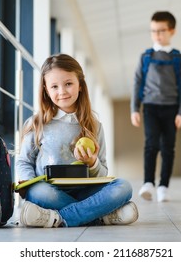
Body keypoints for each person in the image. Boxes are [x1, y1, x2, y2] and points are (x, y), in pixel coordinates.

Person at [16, 53, 138, 227]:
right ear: (46, 90)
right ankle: (100, 217)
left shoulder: (95, 126)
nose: (62, 92)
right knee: (37, 191)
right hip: (50, 192)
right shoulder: (37, 124)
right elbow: (23, 162)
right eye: (54, 87)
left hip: (85, 192)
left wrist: (92, 162)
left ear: (80, 85)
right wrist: (28, 183)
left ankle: (56, 218)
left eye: (68, 84)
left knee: (124, 186)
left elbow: (103, 172)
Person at [130, 11, 181, 202]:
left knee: (168, 148)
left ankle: (163, 186)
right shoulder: (145, 57)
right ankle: (148, 183)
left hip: (171, 109)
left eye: (161, 30)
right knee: (151, 144)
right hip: (150, 108)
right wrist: (134, 109)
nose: (157, 34)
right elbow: (137, 83)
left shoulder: (180, 59)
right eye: (153, 31)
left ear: (172, 31)